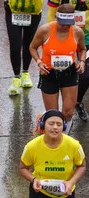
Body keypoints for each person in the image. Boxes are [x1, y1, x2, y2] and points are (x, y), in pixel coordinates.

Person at [30, 4, 86, 134]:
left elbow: (82, 49)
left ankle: (62, 139)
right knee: (53, 115)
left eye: (69, 24)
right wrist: (39, 62)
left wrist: (81, 61)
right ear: (56, 18)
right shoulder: (45, 30)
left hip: (69, 73)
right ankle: (44, 124)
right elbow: (32, 47)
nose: (66, 26)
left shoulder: (77, 32)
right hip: (49, 73)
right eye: (63, 23)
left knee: (68, 112)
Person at [47, 0, 89, 121]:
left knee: (86, 75)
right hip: (64, 35)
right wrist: (51, 34)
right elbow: (51, 12)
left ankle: (78, 101)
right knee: (60, 72)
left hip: (86, 38)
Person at [5, 0, 43, 95]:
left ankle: (25, 73)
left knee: (29, 44)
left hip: (33, 12)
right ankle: (16, 77)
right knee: (15, 46)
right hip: (14, 11)